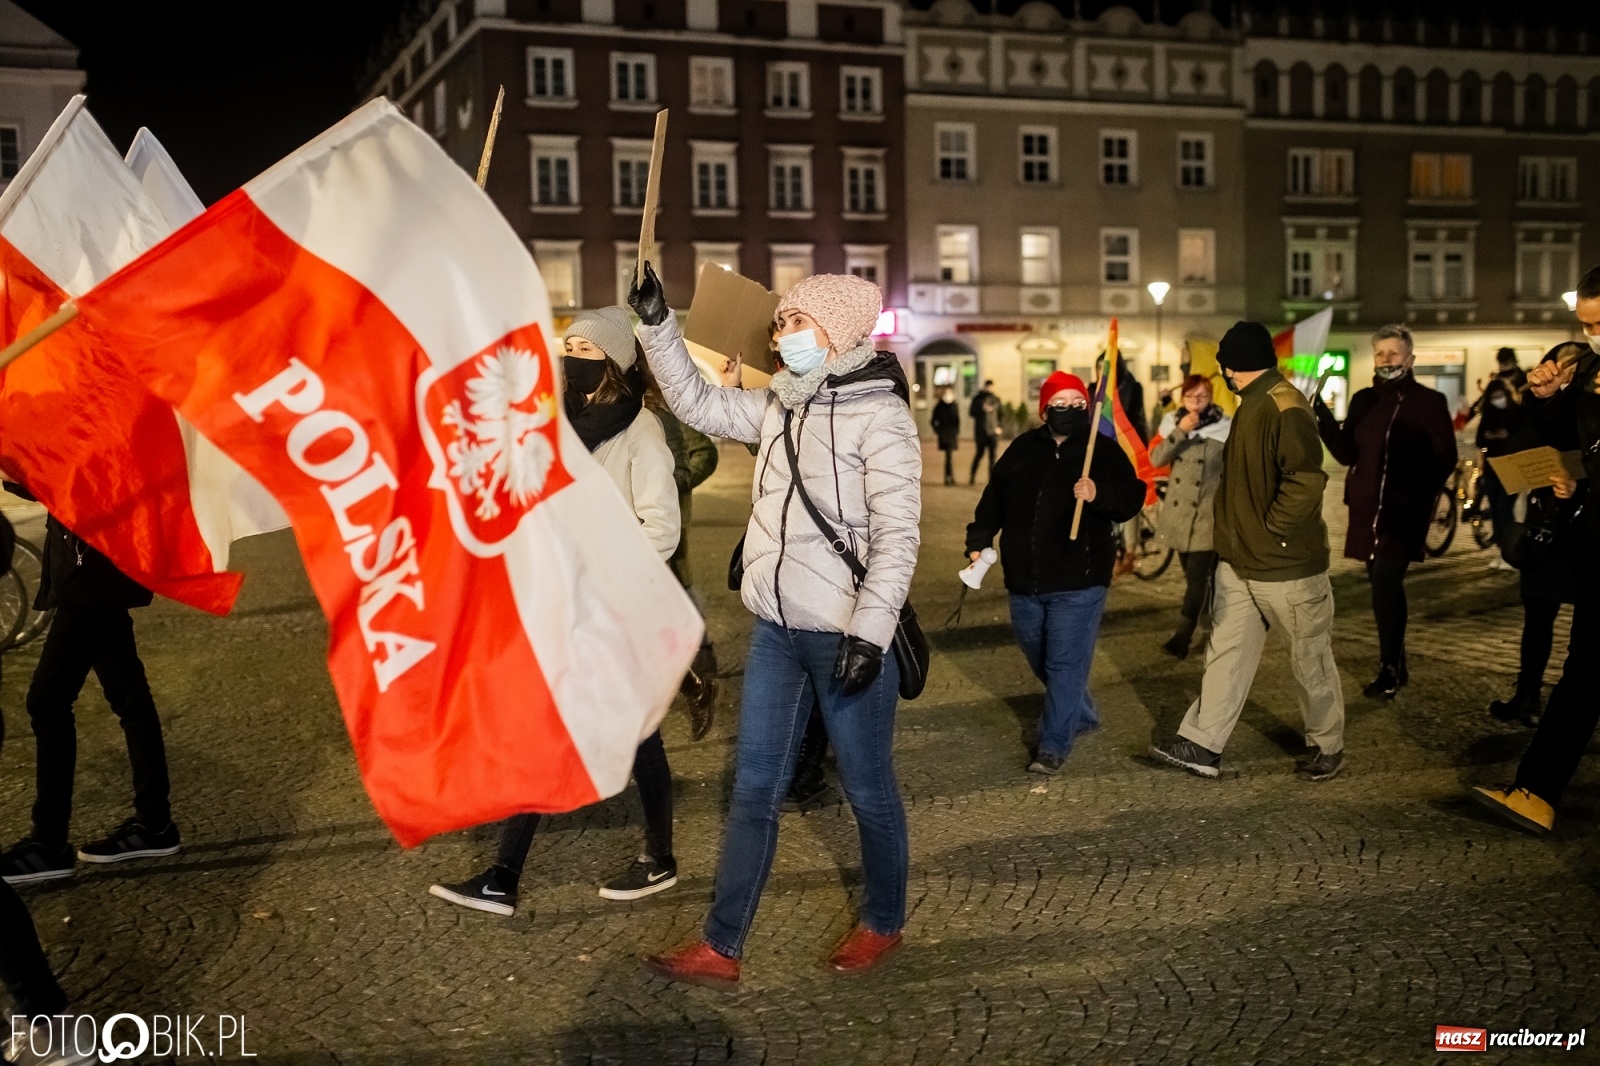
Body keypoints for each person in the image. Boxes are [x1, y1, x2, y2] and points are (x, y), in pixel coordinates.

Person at [631, 265, 920, 987]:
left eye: (794, 323)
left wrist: (870, 634)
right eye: (782, 323)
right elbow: (698, 402)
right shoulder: (780, 406)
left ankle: (884, 920)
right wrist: (659, 325)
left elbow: (898, 536)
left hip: (847, 633)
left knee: (867, 787)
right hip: (776, 630)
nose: (780, 335)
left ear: (839, 334)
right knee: (754, 787)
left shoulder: (880, 415)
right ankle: (720, 945)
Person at [429, 306, 683, 915]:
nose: (570, 355)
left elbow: (663, 528)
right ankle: (519, 875)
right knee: (624, 735)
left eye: (585, 348)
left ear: (615, 364)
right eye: (566, 343)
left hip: (609, 608)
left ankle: (510, 876)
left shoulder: (639, 432)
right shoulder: (559, 425)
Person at [1148, 321, 1344, 782]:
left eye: (1225, 368)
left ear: (1232, 367)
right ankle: (1202, 743)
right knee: (1226, 653)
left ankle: (1326, 744)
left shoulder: (1283, 405)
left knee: (1309, 660)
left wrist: (1273, 533)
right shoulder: (1255, 402)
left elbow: (1305, 479)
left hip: (1285, 566)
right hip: (1239, 563)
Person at [965, 372, 1144, 774]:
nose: (1070, 410)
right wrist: (979, 538)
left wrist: (1099, 495)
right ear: (1045, 409)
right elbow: (992, 501)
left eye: (1078, 403)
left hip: (1079, 579)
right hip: (1024, 579)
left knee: (1065, 662)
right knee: (1039, 652)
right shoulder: (1023, 449)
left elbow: (1131, 500)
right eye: (1060, 403)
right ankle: (1080, 711)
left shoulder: (1103, 449)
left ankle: (1053, 743)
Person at [0, 491, 180, 885]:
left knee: (47, 700)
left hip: (91, 569)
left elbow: (74, 478)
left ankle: (48, 843)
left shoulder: (96, 434)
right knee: (129, 697)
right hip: (93, 563)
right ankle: (154, 822)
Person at [1472, 291, 1600, 836]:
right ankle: (1536, 791)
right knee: (1586, 672)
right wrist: (1545, 398)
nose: (1590, 332)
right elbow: (1570, 436)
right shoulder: (1591, 370)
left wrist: (1588, 479)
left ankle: (1538, 790)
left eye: (1597, 321)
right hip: (1594, 542)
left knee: (1587, 673)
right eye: (1585, 322)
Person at [1313, 324, 1457, 699]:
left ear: (1410, 359)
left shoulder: (1428, 402)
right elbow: (1346, 452)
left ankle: (1389, 668)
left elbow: (1445, 458)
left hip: (1403, 512)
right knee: (1378, 579)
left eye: (1393, 354)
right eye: (1380, 354)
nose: (1386, 360)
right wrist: (1321, 414)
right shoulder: (1363, 400)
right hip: (1366, 510)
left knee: (1386, 581)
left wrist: (1415, 496)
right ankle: (1399, 662)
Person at [1149, 374, 1232, 660]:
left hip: (1208, 514)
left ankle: (1182, 637)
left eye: (1202, 396)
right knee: (1198, 579)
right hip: (1179, 514)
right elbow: (1156, 459)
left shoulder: (1225, 427)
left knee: (1197, 579)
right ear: (1182, 398)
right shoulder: (1174, 423)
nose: (1196, 402)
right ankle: (1215, 625)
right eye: (1190, 397)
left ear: (1211, 397)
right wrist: (1181, 431)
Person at [655, 403, 721, 739]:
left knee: (677, 592)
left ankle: (701, 655)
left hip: (662, 527)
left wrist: (669, 489)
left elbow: (705, 454)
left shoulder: (663, 410)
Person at [1475, 375, 1526, 564]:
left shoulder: (1518, 413)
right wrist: (1494, 436)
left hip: (1512, 466)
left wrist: (1505, 436)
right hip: (1492, 468)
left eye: (1500, 395)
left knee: (1505, 507)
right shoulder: (1489, 413)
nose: (1498, 399)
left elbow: (1522, 437)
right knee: (1495, 510)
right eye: (1494, 396)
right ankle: (1501, 549)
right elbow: (1480, 439)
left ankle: (1510, 549)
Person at [969, 380, 1000, 484]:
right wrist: (981, 408)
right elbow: (971, 412)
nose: (989, 388)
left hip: (993, 433)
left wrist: (999, 427)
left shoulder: (996, 399)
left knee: (992, 457)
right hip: (981, 432)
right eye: (988, 386)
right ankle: (972, 477)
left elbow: (1001, 414)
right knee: (979, 454)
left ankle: (991, 480)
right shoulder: (978, 399)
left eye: (991, 387)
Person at [931, 387, 961, 486]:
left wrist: (956, 431)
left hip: (952, 434)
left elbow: (957, 420)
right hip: (944, 433)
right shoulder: (939, 406)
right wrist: (938, 431)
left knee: (949, 456)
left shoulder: (954, 405)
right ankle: (949, 477)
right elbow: (933, 421)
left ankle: (949, 477)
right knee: (948, 456)